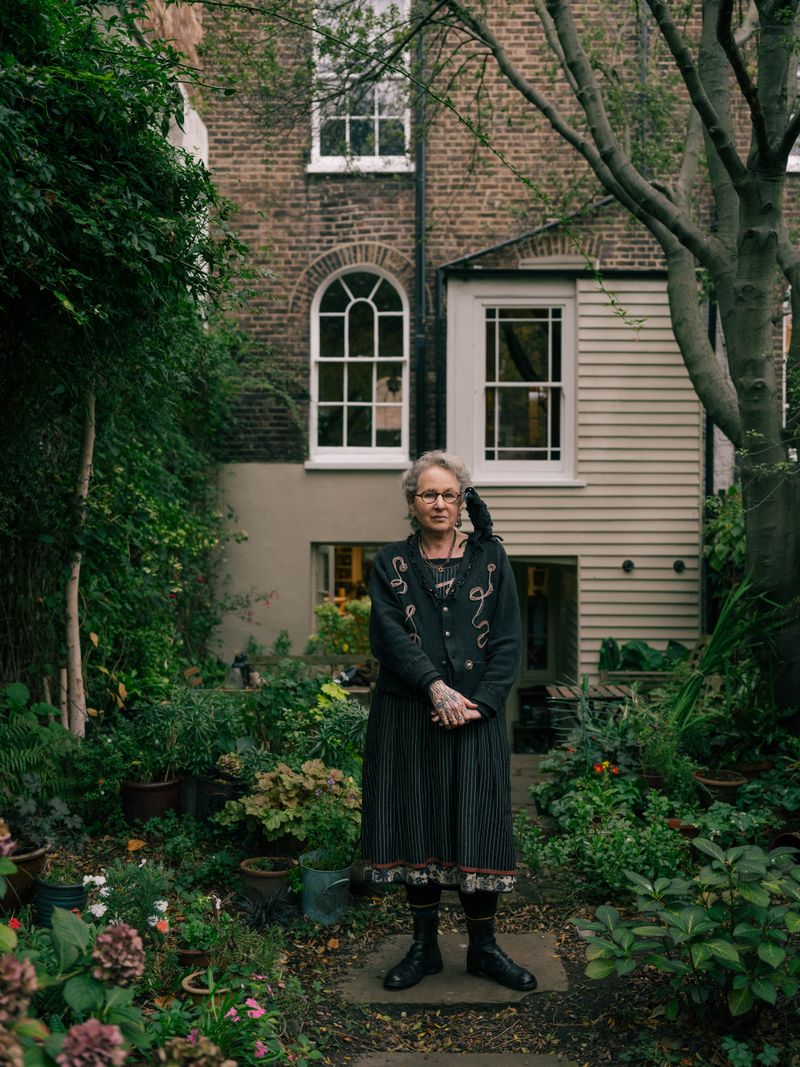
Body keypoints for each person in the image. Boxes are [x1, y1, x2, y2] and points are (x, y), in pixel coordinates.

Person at [361, 450, 536, 993]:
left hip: (476, 720)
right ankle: (424, 949)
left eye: (449, 494)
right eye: (428, 494)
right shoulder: (389, 562)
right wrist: (436, 689)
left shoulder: (490, 559)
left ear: (463, 502)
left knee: (475, 826)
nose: (439, 503)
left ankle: (484, 950)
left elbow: (508, 642)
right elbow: (388, 638)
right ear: (412, 503)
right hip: (408, 715)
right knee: (418, 825)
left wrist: (478, 703)